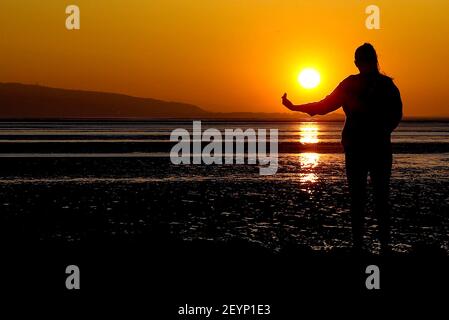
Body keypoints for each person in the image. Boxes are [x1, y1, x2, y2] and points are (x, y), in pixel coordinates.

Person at [282, 43, 402, 254]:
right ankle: (380, 245)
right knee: (377, 196)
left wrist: (295, 107)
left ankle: (366, 245)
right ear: (374, 60)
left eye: (358, 60)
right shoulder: (383, 85)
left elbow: (323, 106)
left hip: (363, 147)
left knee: (361, 197)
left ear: (358, 62)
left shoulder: (364, 85)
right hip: (373, 147)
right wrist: (296, 107)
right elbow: (395, 116)